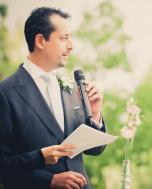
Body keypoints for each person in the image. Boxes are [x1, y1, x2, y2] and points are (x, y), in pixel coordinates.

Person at [0, 7, 106, 189]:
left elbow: (94, 150)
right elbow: (3, 166)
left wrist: (95, 115)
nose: (71, 45)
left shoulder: (71, 89)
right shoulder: (6, 92)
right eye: (64, 38)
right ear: (40, 41)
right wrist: (50, 181)